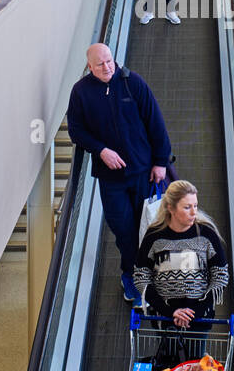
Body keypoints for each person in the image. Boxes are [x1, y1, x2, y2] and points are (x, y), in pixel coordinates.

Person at [67, 43, 172, 303]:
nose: (108, 67)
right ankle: (131, 277)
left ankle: (145, 277)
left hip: (143, 173)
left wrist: (160, 162)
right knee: (124, 231)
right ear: (89, 67)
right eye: (101, 64)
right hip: (111, 180)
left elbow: (155, 121)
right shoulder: (81, 93)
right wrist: (101, 150)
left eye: (110, 61)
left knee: (147, 228)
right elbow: (76, 130)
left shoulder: (131, 82)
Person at [133, 180, 229, 326]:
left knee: (196, 349)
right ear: (171, 208)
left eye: (195, 206)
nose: (193, 212)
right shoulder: (154, 236)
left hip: (200, 317)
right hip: (164, 318)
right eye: (187, 207)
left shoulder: (207, 234)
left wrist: (195, 311)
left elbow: (220, 276)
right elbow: (141, 276)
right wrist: (167, 310)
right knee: (168, 349)